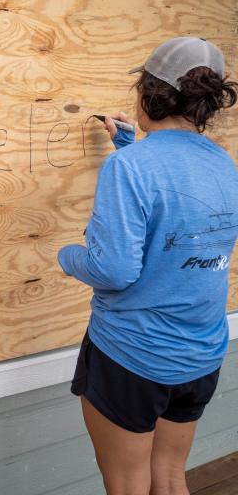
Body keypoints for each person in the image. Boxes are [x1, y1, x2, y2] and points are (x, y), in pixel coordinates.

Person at [58, 37, 238, 495]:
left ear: (149, 93)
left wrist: (67, 257)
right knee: (170, 477)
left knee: (128, 485)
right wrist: (130, 148)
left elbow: (114, 270)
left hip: (133, 358)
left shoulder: (133, 168)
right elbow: (177, 210)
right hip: (200, 357)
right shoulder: (223, 164)